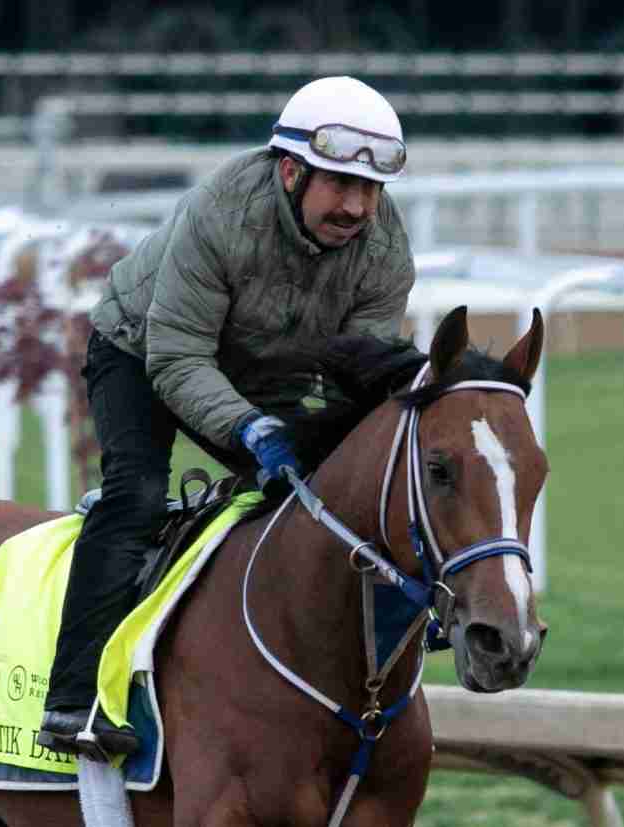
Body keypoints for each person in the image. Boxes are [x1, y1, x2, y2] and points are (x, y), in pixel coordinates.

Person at [36, 75, 419, 761]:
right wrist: (251, 429)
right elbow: (178, 356)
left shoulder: (385, 253)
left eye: (371, 191)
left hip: (259, 369)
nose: (358, 207)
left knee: (322, 500)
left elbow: (359, 376)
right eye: (340, 185)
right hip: (142, 346)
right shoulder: (219, 212)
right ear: (291, 170)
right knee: (139, 496)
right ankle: (69, 702)